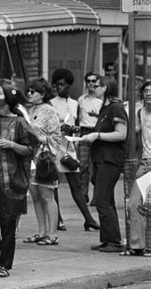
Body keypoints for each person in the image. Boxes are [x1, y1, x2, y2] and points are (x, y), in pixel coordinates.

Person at [0, 81, 37, 278]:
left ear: (9, 99)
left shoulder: (20, 122)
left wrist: (11, 144)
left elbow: (30, 149)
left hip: (12, 180)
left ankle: (3, 264)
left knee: (8, 223)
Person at [81, 77, 128, 253]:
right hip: (101, 158)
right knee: (106, 200)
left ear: (106, 87)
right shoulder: (105, 107)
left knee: (101, 199)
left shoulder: (116, 107)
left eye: (98, 85)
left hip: (110, 159)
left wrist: (97, 136)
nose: (93, 87)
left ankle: (114, 241)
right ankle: (108, 239)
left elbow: (121, 134)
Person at [50, 69, 100, 232]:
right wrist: (59, 127)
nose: (60, 87)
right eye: (57, 84)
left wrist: (74, 129)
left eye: (63, 84)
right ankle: (57, 219)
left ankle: (89, 219)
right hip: (53, 148)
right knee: (54, 185)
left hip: (69, 148)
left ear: (70, 85)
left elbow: (77, 124)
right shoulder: (51, 103)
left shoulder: (75, 104)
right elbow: (47, 126)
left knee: (76, 185)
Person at [24, 78, 62, 246]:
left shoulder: (49, 110)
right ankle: (42, 231)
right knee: (36, 196)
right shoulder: (29, 110)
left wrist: (40, 138)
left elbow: (56, 136)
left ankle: (52, 233)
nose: (29, 94)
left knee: (47, 195)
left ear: (43, 94)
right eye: (29, 91)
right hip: (30, 157)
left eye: (33, 91)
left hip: (44, 157)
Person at [122, 80, 151, 256]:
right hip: (145, 163)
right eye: (146, 91)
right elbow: (133, 132)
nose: (149, 94)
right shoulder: (140, 112)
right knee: (134, 204)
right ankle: (136, 245)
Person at [77, 72, 103, 205]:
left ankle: (97, 195)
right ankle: (83, 194)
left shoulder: (102, 100)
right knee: (83, 165)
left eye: (94, 81)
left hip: (98, 133)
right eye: (88, 81)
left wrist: (97, 115)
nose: (91, 84)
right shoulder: (81, 99)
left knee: (98, 165)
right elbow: (78, 118)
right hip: (84, 132)